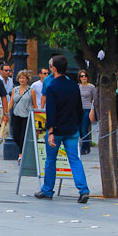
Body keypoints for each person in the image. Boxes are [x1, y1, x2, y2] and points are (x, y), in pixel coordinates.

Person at [35, 55, 90, 203]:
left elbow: (51, 111)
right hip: (71, 128)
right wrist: (77, 125)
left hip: (57, 129)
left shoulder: (52, 86)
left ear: (53, 68)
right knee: (74, 159)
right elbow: (79, 108)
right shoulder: (73, 85)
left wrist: (51, 131)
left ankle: (47, 189)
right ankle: (83, 189)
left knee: (51, 160)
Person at [10, 70, 35, 163]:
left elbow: (34, 104)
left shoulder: (31, 91)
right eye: (20, 78)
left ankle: (21, 155)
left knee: (23, 136)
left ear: (27, 79)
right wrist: (6, 112)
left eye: (23, 78)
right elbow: (11, 102)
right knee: (15, 136)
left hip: (26, 116)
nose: (21, 80)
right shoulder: (15, 89)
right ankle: (23, 151)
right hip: (16, 115)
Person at [78, 70, 97, 155]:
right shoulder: (78, 87)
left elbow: (95, 99)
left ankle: (83, 148)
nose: (84, 77)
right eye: (82, 76)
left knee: (84, 128)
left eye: (85, 76)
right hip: (79, 110)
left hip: (88, 109)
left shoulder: (91, 87)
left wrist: (93, 110)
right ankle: (87, 145)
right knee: (80, 130)